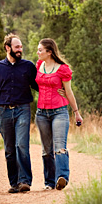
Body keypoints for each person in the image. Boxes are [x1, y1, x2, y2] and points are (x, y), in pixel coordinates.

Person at [0, 34, 38, 193]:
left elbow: (39, 86)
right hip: (4, 111)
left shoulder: (28, 66)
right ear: (8, 48)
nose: (20, 50)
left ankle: (24, 181)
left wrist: (57, 90)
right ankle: (14, 183)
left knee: (21, 145)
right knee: (9, 149)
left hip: (23, 109)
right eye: (17, 47)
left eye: (21, 47)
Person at [35, 38, 83, 190]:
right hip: (41, 113)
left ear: (49, 52)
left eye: (40, 50)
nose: (38, 52)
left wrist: (76, 113)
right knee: (46, 149)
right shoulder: (38, 65)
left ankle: (62, 177)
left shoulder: (63, 69)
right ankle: (49, 182)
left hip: (59, 112)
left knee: (60, 146)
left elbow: (69, 92)